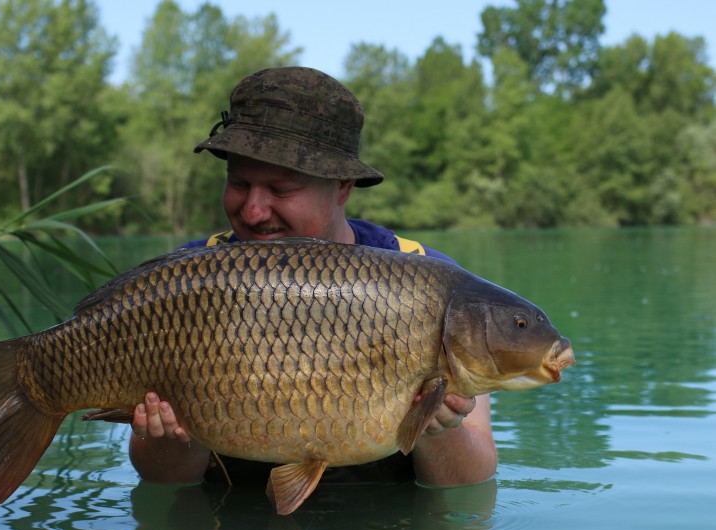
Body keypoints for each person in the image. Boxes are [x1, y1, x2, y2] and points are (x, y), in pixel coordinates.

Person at [127, 66, 497, 490]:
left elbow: (472, 480)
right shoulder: (188, 280)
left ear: (343, 185)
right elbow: (164, 480)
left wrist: (438, 429)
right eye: (239, 183)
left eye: (280, 190)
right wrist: (174, 434)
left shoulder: (429, 285)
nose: (252, 211)